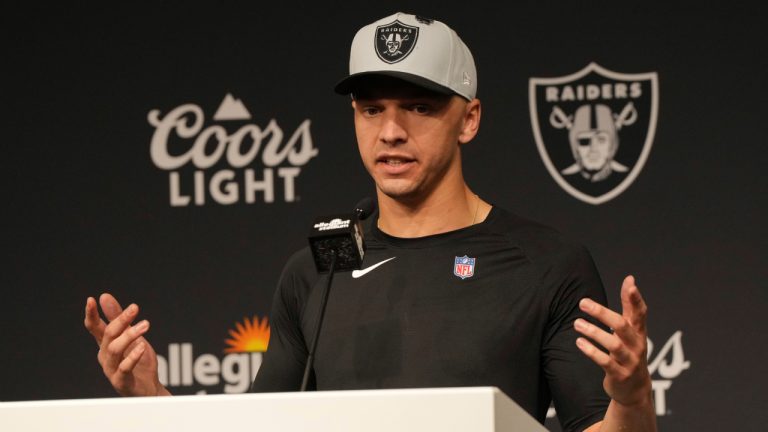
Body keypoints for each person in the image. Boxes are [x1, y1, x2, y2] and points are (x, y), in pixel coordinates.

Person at [84, 12, 656, 431]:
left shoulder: (547, 264)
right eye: (371, 108)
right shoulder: (315, 273)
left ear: (470, 119)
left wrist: (631, 398)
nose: (390, 132)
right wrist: (151, 395)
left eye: (419, 107)